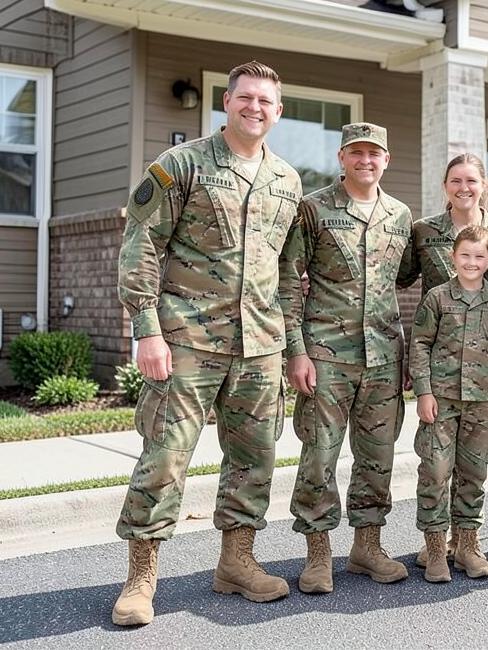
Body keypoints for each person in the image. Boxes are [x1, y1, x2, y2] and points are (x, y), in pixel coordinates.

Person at [113, 61, 303, 626]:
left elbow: (287, 272)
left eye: (266, 101)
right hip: (187, 340)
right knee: (165, 459)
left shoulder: (287, 180)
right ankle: (141, 577)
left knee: (254, 460)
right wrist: (146, 330)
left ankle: (237, 562)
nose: (256, 108)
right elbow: (141, 243)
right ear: (228, 101)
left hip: (262, 344)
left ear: (278, 110)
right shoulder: (181, 165)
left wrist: (292, 345)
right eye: (246, 98)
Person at [286, 121, 413, 594]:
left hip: (383, 358)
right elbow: (287, 280)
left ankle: (366, 547)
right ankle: (318, 554)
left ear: (386, 160)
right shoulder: (314, 210)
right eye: (356, 152)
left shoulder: (400, 215)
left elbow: (405, 279)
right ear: (342, 157)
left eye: (374, 153)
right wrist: (296, 351)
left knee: (377, 457)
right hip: (326, 357)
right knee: (319, 456)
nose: (365, 160)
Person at [397, 152, 488, 567]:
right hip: (441, 371)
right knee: (435, 466)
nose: (463, 188)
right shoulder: (424, 231)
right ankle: (434, 546)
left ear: (485, 184)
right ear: (445, 186)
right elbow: (399, 280)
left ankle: (466, 544)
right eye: (455, 180)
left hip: (482, 377)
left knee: (474, 468)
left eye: (471, 180)